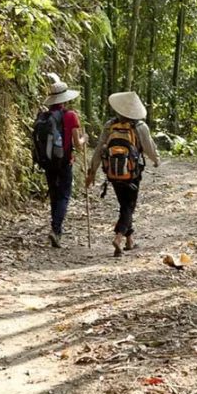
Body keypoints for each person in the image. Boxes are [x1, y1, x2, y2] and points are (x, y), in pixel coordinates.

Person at [85, 91, 160, 257]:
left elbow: (99, 149)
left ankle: (129, 240)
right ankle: (119, 237)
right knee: (128, 206)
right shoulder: (140, 127)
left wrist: (92, 171)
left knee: (124, 205)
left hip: (112, 173)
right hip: (132, 173)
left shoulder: (110, 125)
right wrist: (156, 160)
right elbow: (149, 148)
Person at [41, 74, 86, 248]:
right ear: (65, 98)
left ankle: (56, 230)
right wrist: (84, 139)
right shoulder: (71, 116)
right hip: (65, 161)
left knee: (54, 195)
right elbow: (78, 144)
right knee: (64, 196)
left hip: (48, 162)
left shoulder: (44, 117)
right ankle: (56, 229)